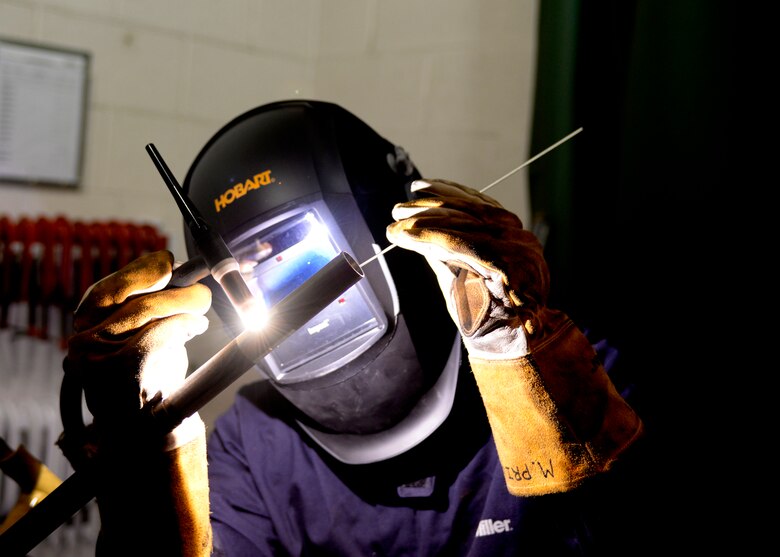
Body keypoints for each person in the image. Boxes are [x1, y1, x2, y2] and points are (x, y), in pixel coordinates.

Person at [61, 100, 644, 556]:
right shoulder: (255, 446)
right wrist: (145, 453)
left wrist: (520, 357)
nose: (296, 297)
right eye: (257, 273)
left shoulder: (569, 372)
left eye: (304, 253)